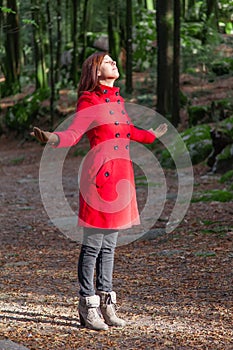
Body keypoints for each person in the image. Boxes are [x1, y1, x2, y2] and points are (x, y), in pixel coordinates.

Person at [32, 51, 168, 331]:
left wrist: (153, 135)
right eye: (107, 61)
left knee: (110, 246)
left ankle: (107, 304)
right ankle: (87, 305)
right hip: (98, 178)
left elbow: (127, 131)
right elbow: (73, 134)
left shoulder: (117, 100)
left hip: (122, 177)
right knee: (93, 245)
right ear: (95, 71)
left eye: (112, 61)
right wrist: (53, 137)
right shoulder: (89, 100)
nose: (114, 63)